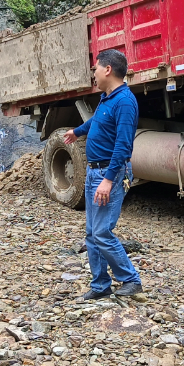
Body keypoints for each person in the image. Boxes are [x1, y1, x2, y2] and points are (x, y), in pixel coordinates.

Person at [62, 48, 141, 300]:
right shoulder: (108, 97)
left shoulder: (125, 102)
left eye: (95, 68)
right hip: (95, 172)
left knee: (102, 232)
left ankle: (131, 280)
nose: (93, 73)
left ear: (108, 70)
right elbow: (97, 122)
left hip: (110, 173)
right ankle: (100, 286)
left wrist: (108, 180)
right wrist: (78, 131)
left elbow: (123, 145)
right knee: (92, 232)